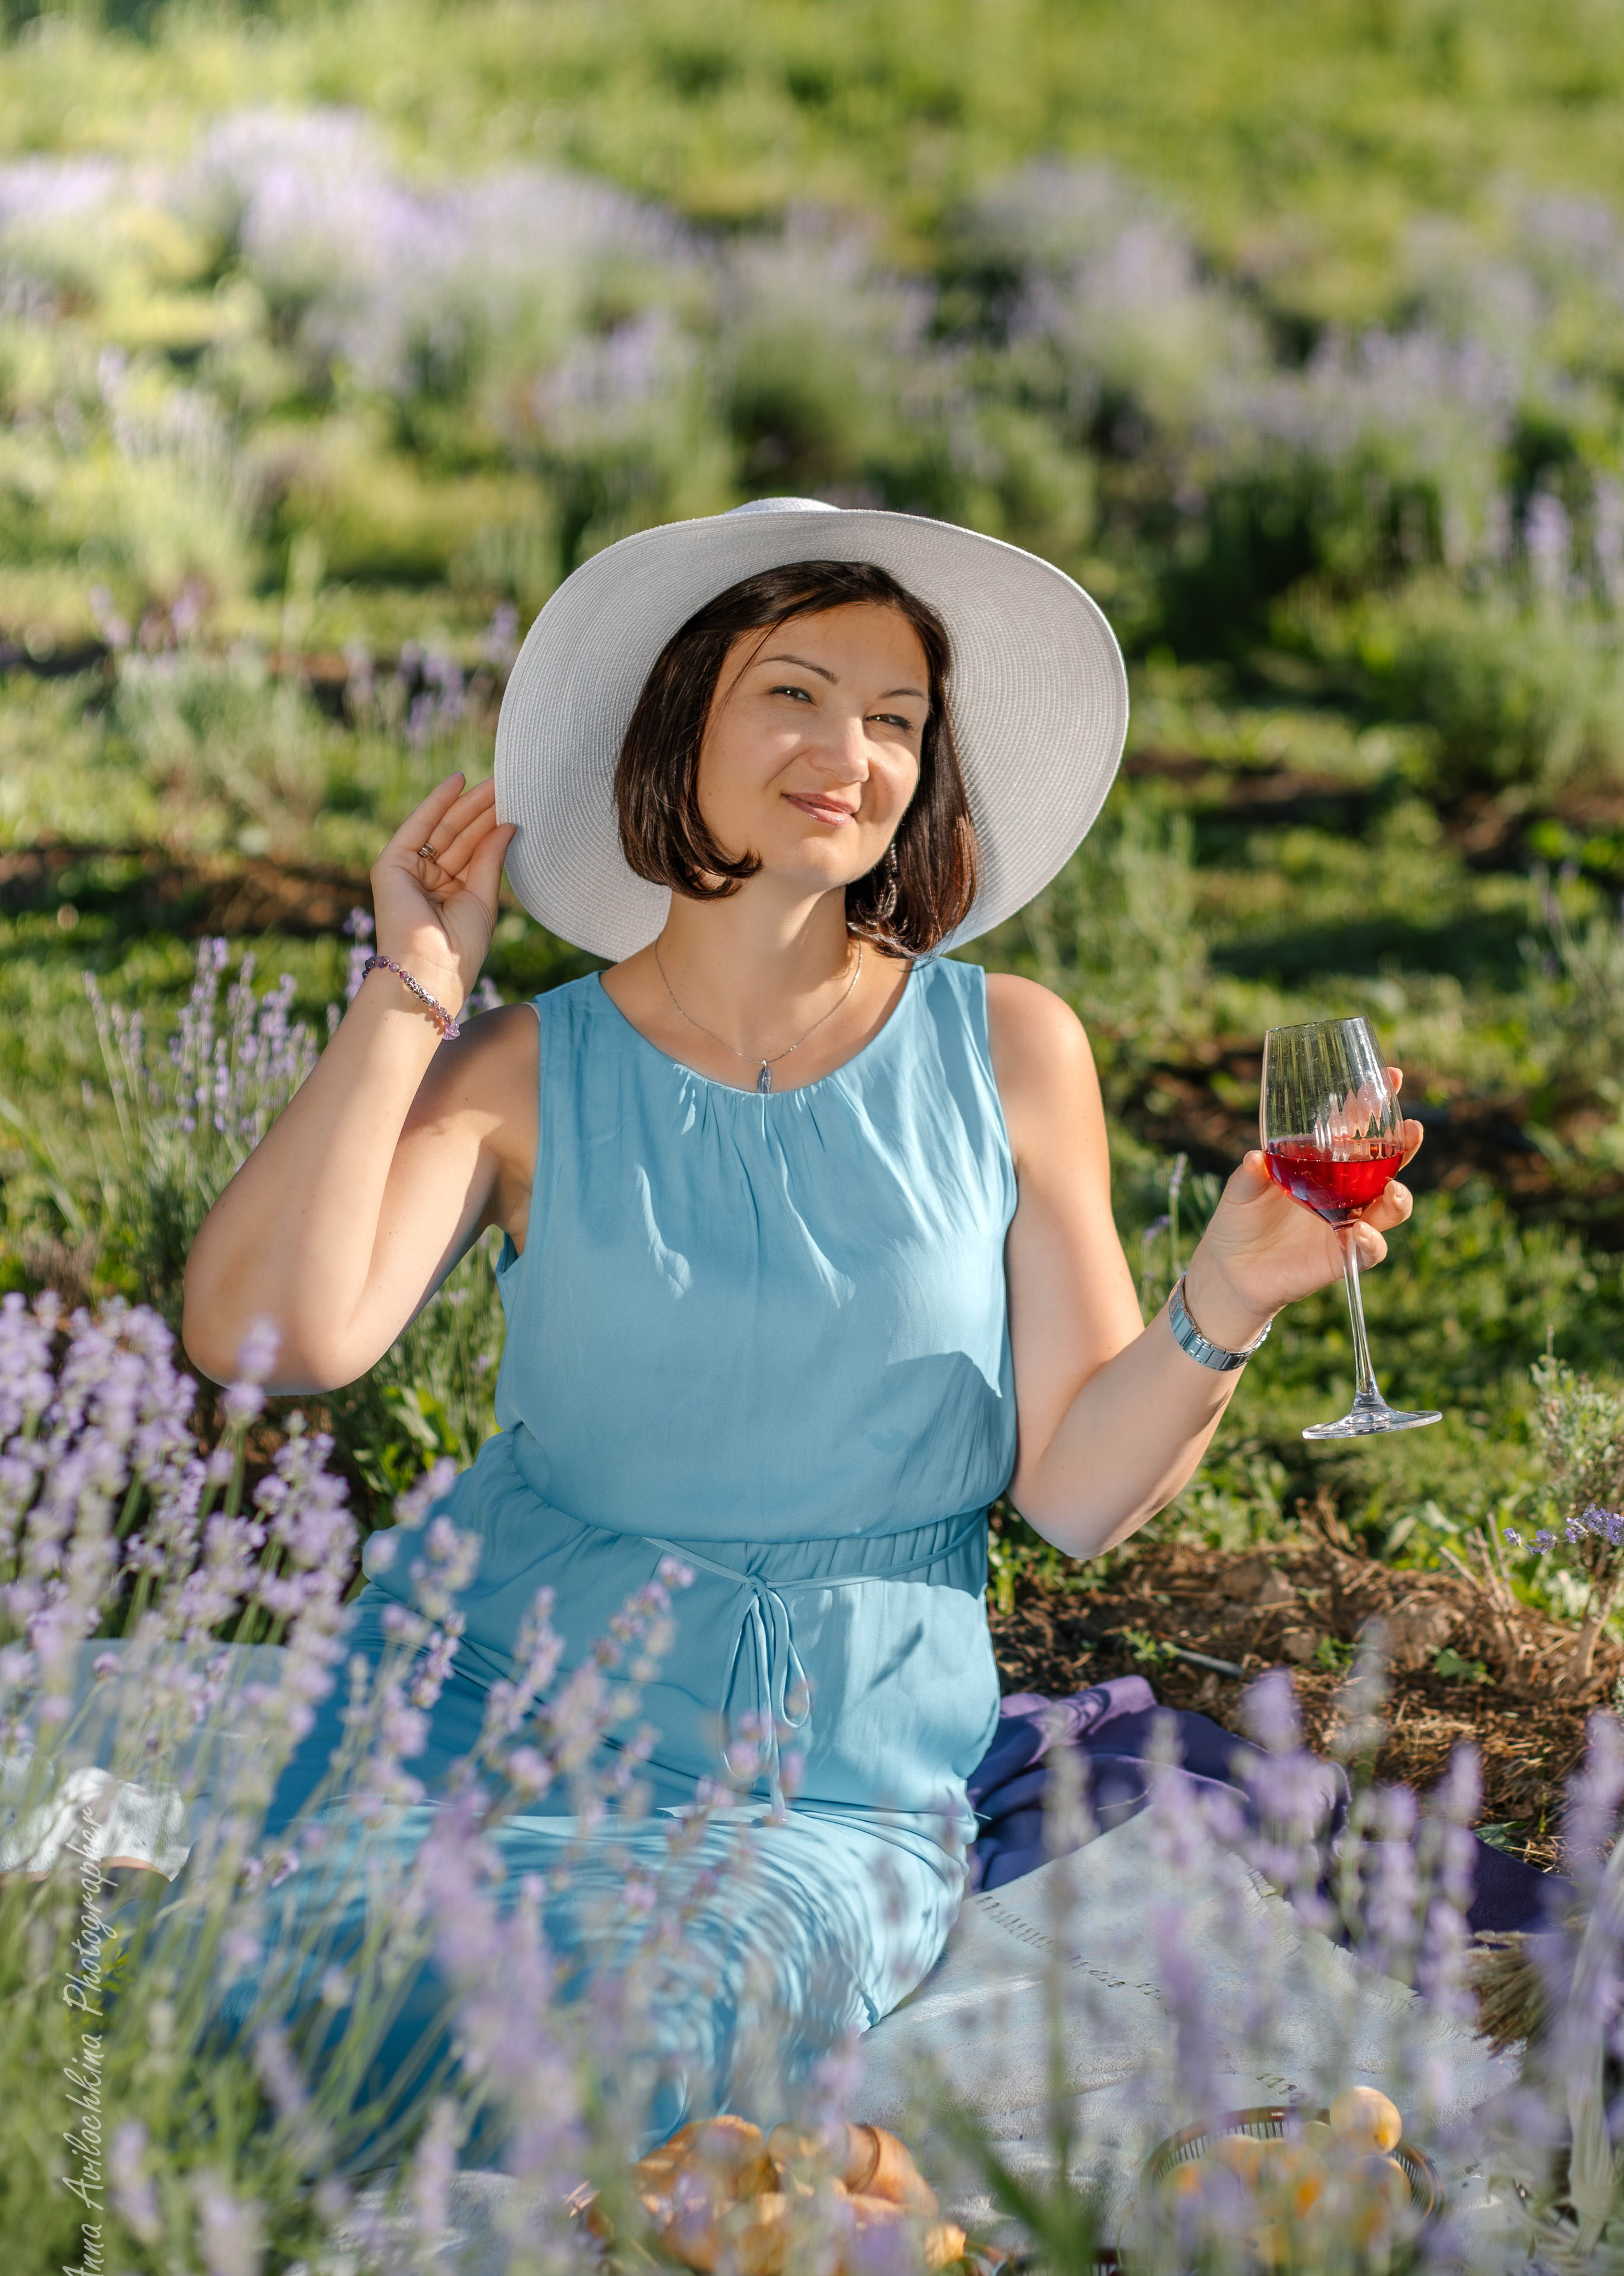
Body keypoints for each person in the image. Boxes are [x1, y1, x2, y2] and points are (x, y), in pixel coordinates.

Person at [181, 498, 1423, 2150]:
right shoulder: (522, 1075)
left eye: (897, 718)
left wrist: (1229, 1300)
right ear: (674, 723)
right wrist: (410, 991)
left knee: (623, 2060)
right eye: (795, 693)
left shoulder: (1013, 1051)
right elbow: (271, 1338)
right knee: (289, 2034)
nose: (854, 748)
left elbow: (1070, 1498)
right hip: (495, 1708)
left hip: (823, 1788)